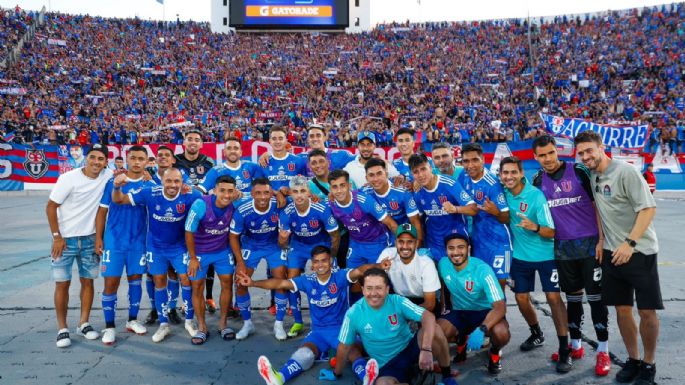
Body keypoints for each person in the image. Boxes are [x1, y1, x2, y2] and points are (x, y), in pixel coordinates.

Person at [575, 131, 662, 385]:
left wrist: (629, 242)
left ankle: (649, 364)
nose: (585, 156)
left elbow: (648, 209)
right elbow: (600, 212)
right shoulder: (593, 176)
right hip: (613, 253)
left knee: (646, 311)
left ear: (602, 148)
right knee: (622, 310)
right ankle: (633, 360)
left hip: (640, 251)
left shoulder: (626, 172)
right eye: (581, 153)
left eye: (589, 150)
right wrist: (603, 241)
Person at [237, 246, 386, 385]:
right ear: (312, 265)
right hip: (319, 332)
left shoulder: (340, 276)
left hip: (341, 329)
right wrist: (253, 283)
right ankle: (278, 378)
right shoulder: (307, 281)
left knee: (352, 351)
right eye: (316, 262)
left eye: (324, 260)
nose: (320, 265)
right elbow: (280, 283)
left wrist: (379, 266)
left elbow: (360, 270)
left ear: (331, 262)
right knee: (305, 353)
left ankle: (367, 378)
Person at [532, 135, 611, 376]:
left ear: (558, 151)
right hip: (562, 249)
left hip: (589, 246)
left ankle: (603, 351)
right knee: (573, 299)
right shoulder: (537, 180)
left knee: (596, 298)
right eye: (542, 155)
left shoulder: (578, 171)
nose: (547, 159)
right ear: (536, 157)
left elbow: (598, 204)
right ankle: (576, 345)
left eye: (550, 153)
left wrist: (601, 239)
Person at [111, 167, 202, 343]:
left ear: (182, 182)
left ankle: (190, 321)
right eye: (169, 181)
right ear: (162, 181)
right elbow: (119, 200)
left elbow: (210, 201)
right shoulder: (149, 193)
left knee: (186, 279)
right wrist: (116, 187)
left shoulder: (190, 195)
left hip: (179, 248)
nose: (173, 185)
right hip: (156, 248)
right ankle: (163, 324)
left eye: (177, 181)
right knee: (159, 281)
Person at [499, 156, 572, 373]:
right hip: (520, 257)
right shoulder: (502, 195)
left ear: (521, 173)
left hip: (546, 256)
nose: (509, 176)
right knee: (521, 299)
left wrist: (535, 227)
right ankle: (537, 333)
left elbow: (551, 232)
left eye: (513, 172)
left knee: (553, 298)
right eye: (505, 173)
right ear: (501, 175)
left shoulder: (535, 196)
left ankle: (564, 349)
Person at [334, 268, 459, 385]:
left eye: (379, 288)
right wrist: (336, 373)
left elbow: (428, 317)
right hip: (387, 364)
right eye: (369, 288)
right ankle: (420, 378)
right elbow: (344, 347)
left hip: (410, 350)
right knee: (382, 383)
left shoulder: (398, 301)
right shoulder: (353, 313)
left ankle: (446, 375)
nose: (373, 293)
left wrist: (426, 349)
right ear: (363, 289)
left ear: (387, 289)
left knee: (435, 329)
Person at [47, 143, 112, 348]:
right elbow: (51, 207)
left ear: (105, 162)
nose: (96, 162)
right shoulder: (68, 178)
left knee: (88, 282)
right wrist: (57, 236)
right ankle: (62, 328)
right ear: (86, 158)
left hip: (90, 239)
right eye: (92, 157)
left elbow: (126, 174)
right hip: (64, 241)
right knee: (62, 284)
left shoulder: (107, 175)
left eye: (100, 159)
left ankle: (83, 323)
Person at [95, 145, 154, 345]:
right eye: (133, 158)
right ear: (127, 159)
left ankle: (132, 320)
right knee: (110, 283)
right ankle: (109, 327)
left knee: (135, 280)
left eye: (141, 159)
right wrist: (99, 238)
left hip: (138, 241)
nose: (137, 162)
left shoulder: (151, 185)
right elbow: (102, 211)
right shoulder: (113, 182)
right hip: (114, 241)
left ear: (147, 162)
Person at [437, 234, 510, 375]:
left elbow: (500, 307)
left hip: (485, 312)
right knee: (438, 332)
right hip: (460, 311)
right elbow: (443, 286)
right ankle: (462, 338)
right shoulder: (443, 264)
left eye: (461, 247)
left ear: (468, 249)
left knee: (501, 333)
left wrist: (482, 329)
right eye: (451, 248)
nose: (456, 252)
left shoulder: (483, 270)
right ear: (446, 250)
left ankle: (494, 353)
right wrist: (444, 310)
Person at [278, 175, 340, 337]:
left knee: (327, 280)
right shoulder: (287, 212)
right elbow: (282, 244)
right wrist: (283, 240)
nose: (299, 195)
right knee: (292, 281)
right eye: (295, 192)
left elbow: (335, 236)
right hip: (298, 246)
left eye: (302, 191)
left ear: (308, 192)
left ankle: (333, 319)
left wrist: (331, 256)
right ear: (290, 193)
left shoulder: (321, 209)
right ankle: (298, 321)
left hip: (320, 245)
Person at [230, 178, 288, 340]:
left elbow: (296, 192)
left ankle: (279, 323)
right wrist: (240, 262)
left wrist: (281, 192)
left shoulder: (279, 204)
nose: (263, 197)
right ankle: (247, 323)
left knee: (281, 280)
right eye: (258, 193)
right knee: (240, 281)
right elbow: (233, 237)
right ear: (252, 194)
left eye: (266, 193)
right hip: (251, 246)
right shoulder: (243, 209)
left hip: (273, 245)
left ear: (271, 193)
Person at [185, 175, 238, 344]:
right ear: (214, 190)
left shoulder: (236, 203)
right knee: (197, 287)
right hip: (200, 252)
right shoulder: (201, 204)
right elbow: (188, 231)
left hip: (222, 251)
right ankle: (202, 327)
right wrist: (193, 258)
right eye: (222, 190)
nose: (226, 195)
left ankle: (223, 324)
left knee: (227, 284)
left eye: (230, 191)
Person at [457, 143, 512, 291]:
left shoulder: (492, 183)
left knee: (498, 292)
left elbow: (506, 217)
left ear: (483, 159)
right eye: (466, 161)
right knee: (482, 289)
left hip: (498, 244)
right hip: (478, 243)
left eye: (475, 160)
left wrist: (496, 212)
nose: (470, 165)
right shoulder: (463, 176)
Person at [409, 153, 477, 262]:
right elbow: (419, 219)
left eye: (423, 169)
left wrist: (455, 209)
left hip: (455, 239)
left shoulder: (449, 183)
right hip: (433, 242)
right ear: (412, 175)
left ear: (431, 168)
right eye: (416, 172)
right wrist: (420, 241)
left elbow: (473, 209)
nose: (420, 175)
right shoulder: (418, 193)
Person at [376, 224, 440, 312]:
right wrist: (379, 267)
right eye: (401, 241)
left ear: (416, 243)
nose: (405, 246)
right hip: (400, 300)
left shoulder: (425, 262)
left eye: (410, 242)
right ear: (395, 243)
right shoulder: (388, 254)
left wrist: (404, 317)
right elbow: (370, 277)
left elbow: (430, 304)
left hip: (423, 300)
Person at [363, 157, 423, 246]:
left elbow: (415, 221)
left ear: (386, 174)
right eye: (371, 175)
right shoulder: (364, 193)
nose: (375, 179)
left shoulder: (402, 190)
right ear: (366, 178)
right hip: (381, 236)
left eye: (379, 174)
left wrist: (418, 245)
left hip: (406, 232)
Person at [198, 137, 264, 194]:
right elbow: (200, 189)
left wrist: (267, 154)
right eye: (229, 148)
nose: (232, 151)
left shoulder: (251, 166)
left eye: (236, 148)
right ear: (224, 152)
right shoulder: (216, 171)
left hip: (248, 207)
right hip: (227, 207)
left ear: (240, 152)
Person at [262, 125, 307, 196]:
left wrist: (289, 192)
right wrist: (277, 193)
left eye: (280, 138)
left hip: (294, 203)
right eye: (274, 139)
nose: (277, 141)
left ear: (286, 141)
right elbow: (260, 188)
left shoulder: (299, 161)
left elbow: (305, 186)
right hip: (272, 204)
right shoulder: (264, 162)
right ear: (270, 141)